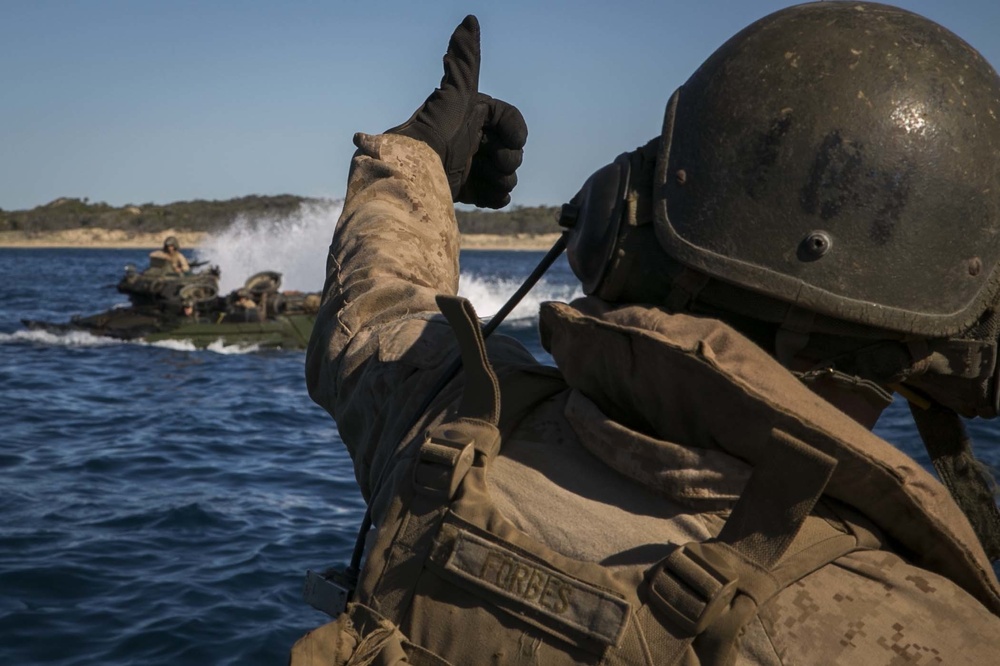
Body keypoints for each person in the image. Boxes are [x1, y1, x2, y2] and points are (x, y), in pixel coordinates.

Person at [298, 5, 1000, 664]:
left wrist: (416, 159)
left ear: (621, 228)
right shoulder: (923, 632)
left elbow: (377, 313)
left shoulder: (445, 427)